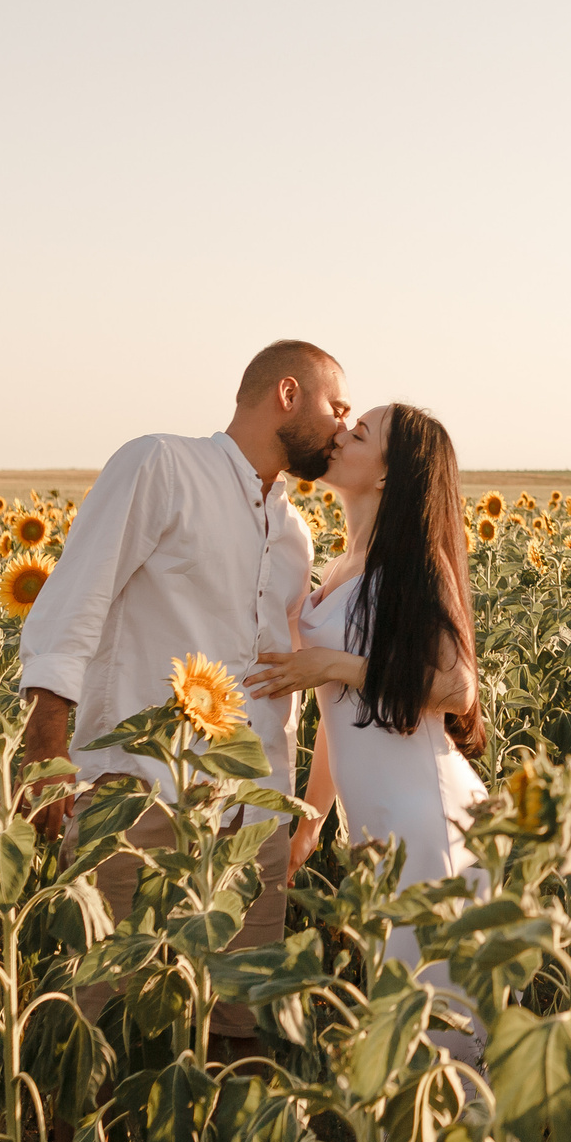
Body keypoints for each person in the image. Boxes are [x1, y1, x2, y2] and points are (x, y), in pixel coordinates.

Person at [17, 338, 351, 1051]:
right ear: (287, 394)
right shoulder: (162, 465)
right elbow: (78, 596)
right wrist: (45, 738)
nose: (343, 427)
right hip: (139, 792)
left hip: (247, 812)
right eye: (336, 406)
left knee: (241, 1022)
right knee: (94, 1009)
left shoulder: (292, 530)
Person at [245, 402, 489, 1064]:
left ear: (387, 475)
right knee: (401, 1023)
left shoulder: (417, 564)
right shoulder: (338, 567)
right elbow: (337, 717)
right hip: (378, 825)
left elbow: (456, 687)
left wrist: (333, 663)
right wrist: (312, 821)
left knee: (439, 1039)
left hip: (429, 821)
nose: (340, 436)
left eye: (361, 434)